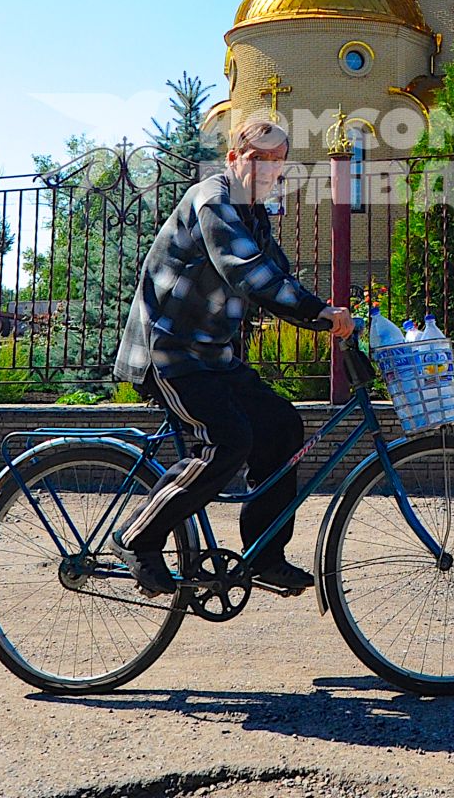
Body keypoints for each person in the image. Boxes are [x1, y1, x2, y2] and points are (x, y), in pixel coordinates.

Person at [109, 119, 356, 597]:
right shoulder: (214, 198)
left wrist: (328, 318)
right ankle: (137, 537)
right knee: (229, 440)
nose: (268, 168)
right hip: (169, 351)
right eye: (258, 157)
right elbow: (245, 271)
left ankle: (264, 555)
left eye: (278, 159)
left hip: (213, 356)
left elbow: (276, 277)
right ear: (233, 158)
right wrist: (318, 311)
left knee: (282, 425)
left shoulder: (254, 214)